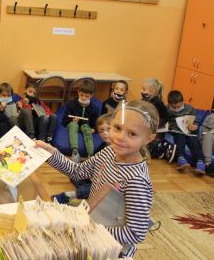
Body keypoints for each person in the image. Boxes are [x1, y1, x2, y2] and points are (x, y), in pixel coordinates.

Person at [38, 100, 158, 258]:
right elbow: (78, 171)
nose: (120, 137)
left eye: (132, 134)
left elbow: (136, 233)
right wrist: (51, 153)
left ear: (148, 139)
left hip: (113, 250)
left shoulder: (136, 180)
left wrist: (92, 231)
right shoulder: (108, 152)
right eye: (117, 128)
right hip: (92, 233)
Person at [167, 90, 206, 175]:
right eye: (174, 107)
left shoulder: (189, 108)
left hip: (189, 131)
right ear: (170, 104)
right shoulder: (167, 109)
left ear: (183, 102)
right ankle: (181, 159)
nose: (176, 109)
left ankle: (200, 162)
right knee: (180, 138)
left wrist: (195, 126)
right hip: (177, 132)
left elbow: (196, 121)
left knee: (193, 141)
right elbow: (165, 122)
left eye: (179, 106)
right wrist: (169, 126)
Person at [62, 79, 99, 163]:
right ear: (78, 92)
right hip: (72, 124)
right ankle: (75, 152)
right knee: (73, 125)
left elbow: (95, 123)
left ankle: (90, 154)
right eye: (82, 95)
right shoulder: (71, 104)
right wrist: (72, 120)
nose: (83, 98)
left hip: (85, 126)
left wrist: (94, 129)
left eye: (87, 96)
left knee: (86, 127)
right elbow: (64, 121)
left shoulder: (94, 108)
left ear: (92, 95)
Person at [141, 78, 173, 159]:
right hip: (147, 127)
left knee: (150, 149)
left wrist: (157, 125)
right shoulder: (144, 100)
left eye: (144, 89)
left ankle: (165, 147)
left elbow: (166, 117)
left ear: (152, 91)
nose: (141, 91)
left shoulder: (158, 103)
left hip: (157, 130)